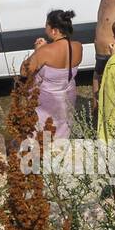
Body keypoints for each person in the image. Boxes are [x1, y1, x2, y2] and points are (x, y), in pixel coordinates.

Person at [19, 9, 83, 140]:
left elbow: (24, 71)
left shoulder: (45, 52)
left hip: (48, 101)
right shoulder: (78, 47)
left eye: (46, 26)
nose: (45, 29)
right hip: (67, 97)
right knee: (62, 133)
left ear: (54, 30)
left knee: (43, 136)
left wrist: (37, 51)